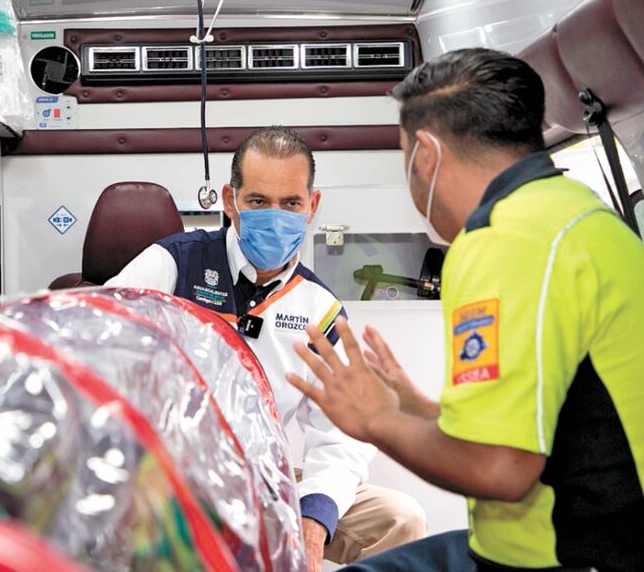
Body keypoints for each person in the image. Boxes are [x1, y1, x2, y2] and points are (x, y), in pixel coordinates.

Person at [287, 48, 644, 571]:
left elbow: (501, 469)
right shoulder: (575, 216)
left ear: (425, 155)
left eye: (403, 155)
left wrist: (376, 419)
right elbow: (537, 432)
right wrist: (410, 404)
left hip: (567, 558)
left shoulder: (503, 243)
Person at [107, 127, 426, 569]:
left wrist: (314, 522)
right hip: (165, 475)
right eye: (258, 201)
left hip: (261, 478)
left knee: (399, 520)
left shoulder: (320, 310)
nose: (275, 217)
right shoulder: (171, 265)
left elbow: (342, 435)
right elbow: (93, 340)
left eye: (291, 203)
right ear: (230, 199)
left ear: (311, 207)